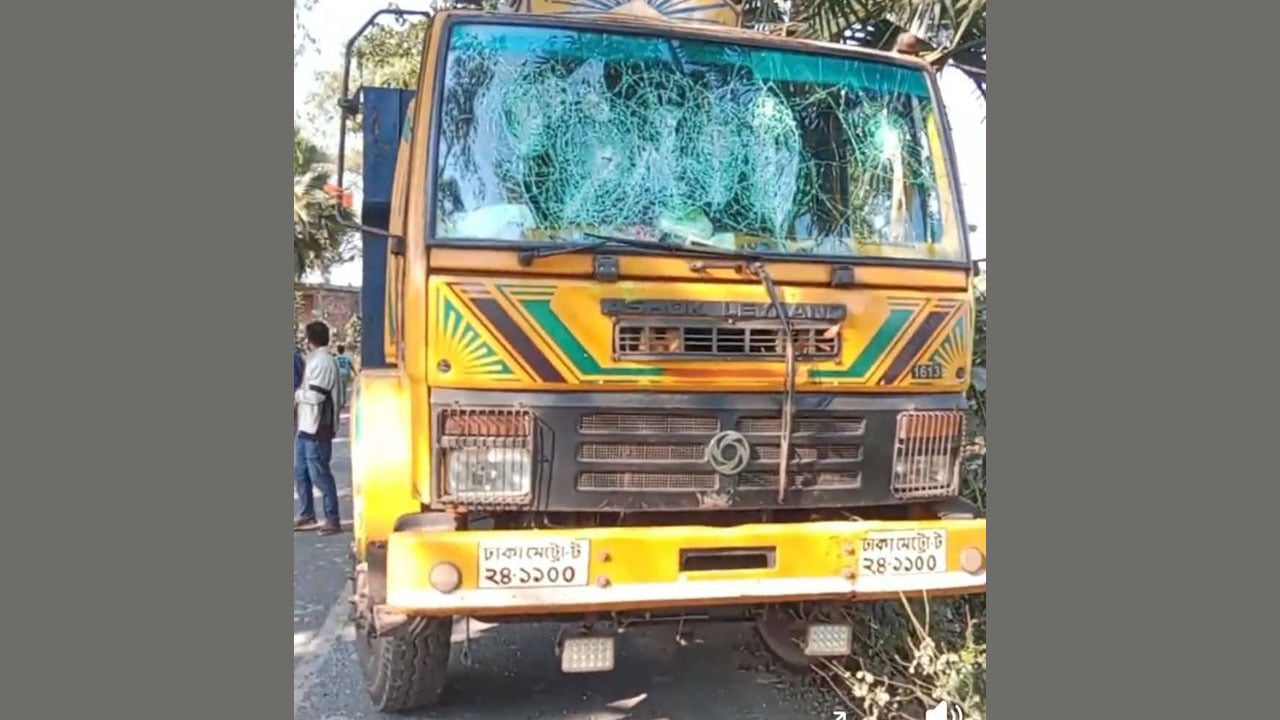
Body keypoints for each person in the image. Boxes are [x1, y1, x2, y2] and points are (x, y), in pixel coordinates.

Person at [294, 321, 346, 535]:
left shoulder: (323, 362)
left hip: (317, 427)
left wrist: (296, 394)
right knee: (301, 472)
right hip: (306, 425)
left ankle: (332, 518)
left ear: (310, 339)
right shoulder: (315, 359)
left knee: (320, 474)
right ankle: (307, 514)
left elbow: (316, 396)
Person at [334, 343, 354, 409]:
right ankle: (344, 401)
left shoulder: (335, 358)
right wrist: (355, 373)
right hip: (345, 374)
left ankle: (340, 401)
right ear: (344, 350)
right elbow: (351, 365)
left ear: (338, 350)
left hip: (338, 374)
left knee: (339, 389)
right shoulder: (347, 357)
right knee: (344, 388)